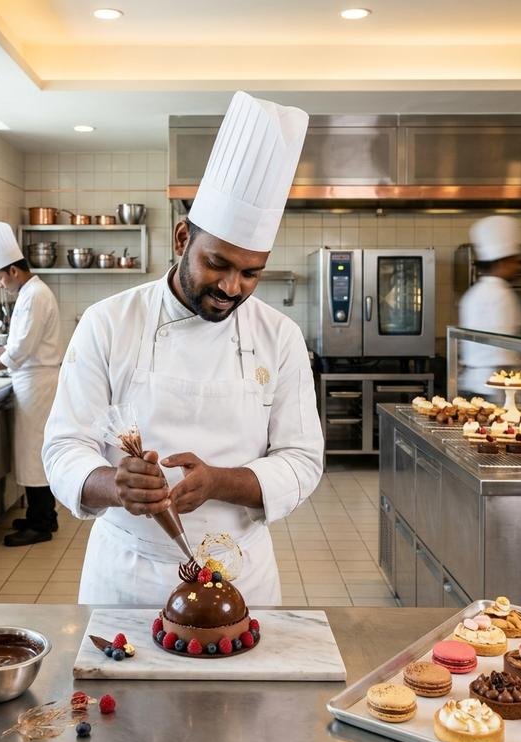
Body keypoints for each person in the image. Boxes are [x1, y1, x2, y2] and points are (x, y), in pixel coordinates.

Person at [42, 91, 325, 605]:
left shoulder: (279, 336)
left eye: (251, 272)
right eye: (218, 264)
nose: (233, 287)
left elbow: (303, 460)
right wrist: (114, 484)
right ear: (181, 239)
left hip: (241, 573)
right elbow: (63, 448)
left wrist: (220, 481)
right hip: (129, 578)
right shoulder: (108, 323)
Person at [0, 221, 62, 547]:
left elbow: (21, 350)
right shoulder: (29, 293)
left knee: (35, 453)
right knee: (31, 453)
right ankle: (43, 516)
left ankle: (41, 524)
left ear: (13, 271)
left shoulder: (34, 295)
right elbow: (16, 344)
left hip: (37, 383)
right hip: (30, 381)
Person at [458, 215, 521, 395]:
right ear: (502, 263)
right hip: (494, 386)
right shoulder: (501, 294)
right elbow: (502, 351)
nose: (519, 266)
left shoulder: (472, 294)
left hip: (473, 382)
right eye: (515, 261)